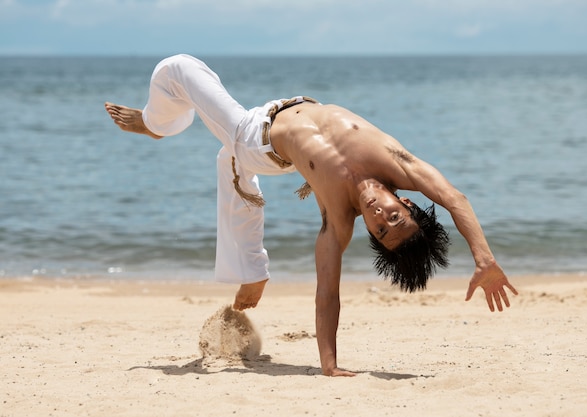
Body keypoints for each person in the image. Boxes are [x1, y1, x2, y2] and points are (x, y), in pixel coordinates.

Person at [105, 54, 518, 377]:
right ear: (407, 203)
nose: (380, 215)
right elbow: (455, 198)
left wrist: (328, 363)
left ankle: (156, 124)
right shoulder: (400, 164)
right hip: (284, 112)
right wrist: (483, 258)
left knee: (178, 69)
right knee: (228, 168)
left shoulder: (338, 216)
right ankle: (250, 267)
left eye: (379, 228)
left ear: (369, 233)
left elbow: (327, 292)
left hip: (256, 138)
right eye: (394, 217)